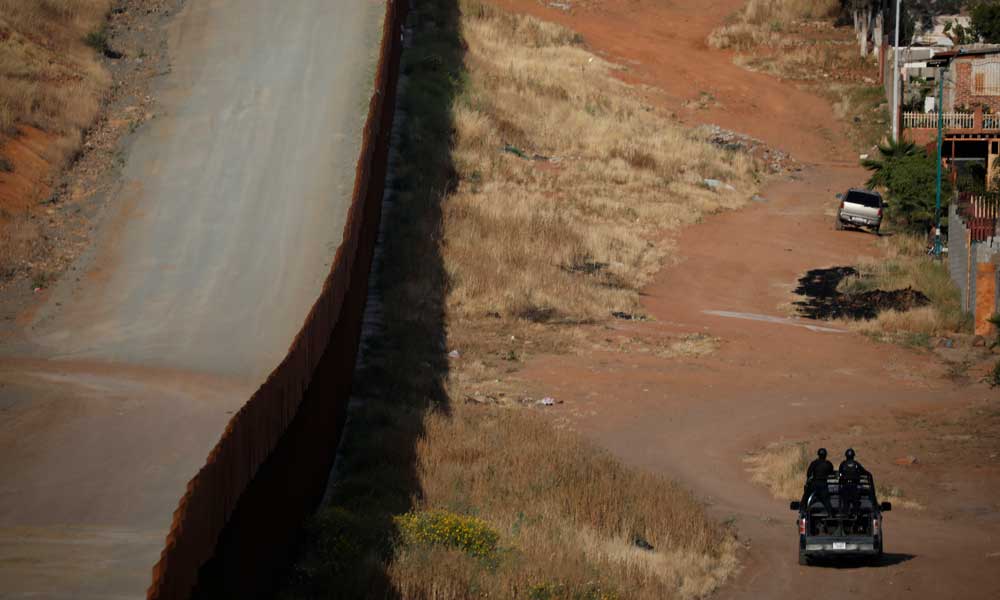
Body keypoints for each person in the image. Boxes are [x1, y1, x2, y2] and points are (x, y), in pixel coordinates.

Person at [801, 447, 835, 516]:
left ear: (818, 454)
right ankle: (831, 513)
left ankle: (803, 509)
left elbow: (809, 473)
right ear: (825, 455)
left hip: (814, 483)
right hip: (823, 484)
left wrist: (809, 480)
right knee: (826, 500)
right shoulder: (828, 464)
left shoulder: (814, 463)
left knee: (806, 496)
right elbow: (831, 472)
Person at [838, 448, 872, 516]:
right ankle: (855, 514)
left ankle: (846, 514)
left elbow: (840, 473)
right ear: (853, 456)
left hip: (845, 486)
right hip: (854, 486)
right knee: (855, 501)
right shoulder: (856, 464)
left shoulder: (843, 464)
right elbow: (864, 471)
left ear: (846, 455)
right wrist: (869, 474)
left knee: (845, 501)